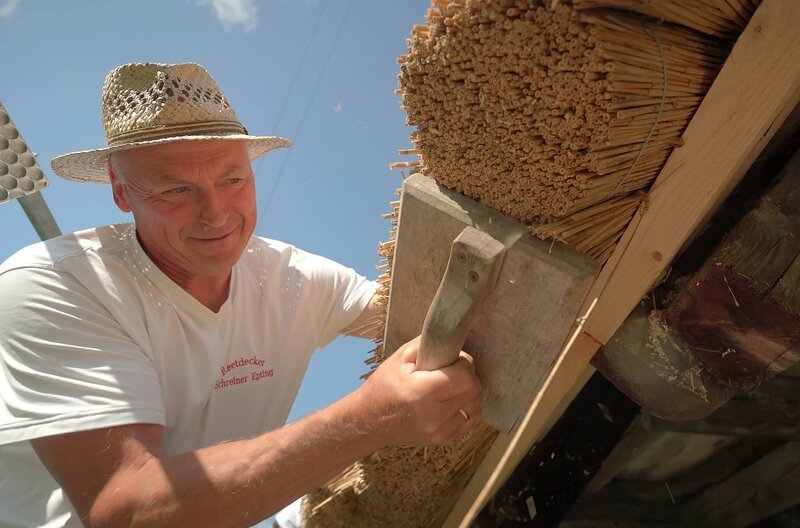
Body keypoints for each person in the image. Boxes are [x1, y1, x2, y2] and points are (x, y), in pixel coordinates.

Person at [0, 62, 482, 528]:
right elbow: (126, 509)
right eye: (175, 190)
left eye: (232, 180)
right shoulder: (56, 284)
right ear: (120, 190)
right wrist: (367, 418)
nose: (216, 214)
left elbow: (423, 312)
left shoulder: (291, 279)